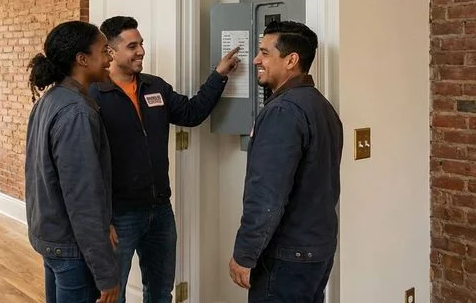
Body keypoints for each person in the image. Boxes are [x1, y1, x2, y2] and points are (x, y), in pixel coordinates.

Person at [88, 16, 240, 303]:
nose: (141, 51)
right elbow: (87, 164)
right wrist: (101, 217)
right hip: (118, 216)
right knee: (111, 294)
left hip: (159, 211)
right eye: (132, 46)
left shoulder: (154, 86)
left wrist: (219, 75)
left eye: (141, 44)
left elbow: (192, 113)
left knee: (160, 292)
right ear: (110, 51)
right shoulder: (94, 94)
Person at [228, 20, 343, 303]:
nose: (256, 60)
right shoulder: (321, 106)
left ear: (291, 60)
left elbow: (267, 195)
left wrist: (245, 253)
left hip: (288, 255)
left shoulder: (283, 112)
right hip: (317, 248)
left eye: (265, 53)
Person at [25, 20, 119, 303]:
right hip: (71, 249)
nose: (110, 58)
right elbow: (83, 198)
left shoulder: (51, 99)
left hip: (51, 239)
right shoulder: (76, 112)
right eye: (104, 51)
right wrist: (106, 274)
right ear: (82, 59)